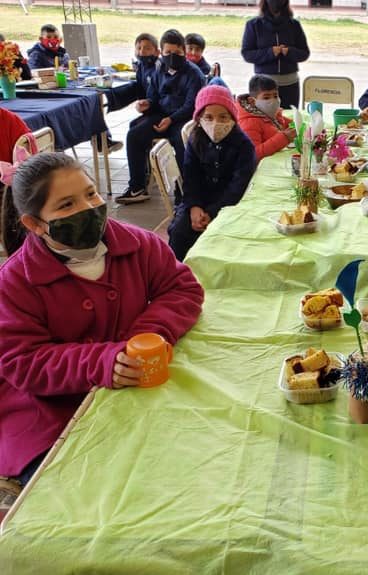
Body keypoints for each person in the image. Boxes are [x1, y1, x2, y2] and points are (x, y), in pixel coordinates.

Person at [0, 152, 203, 496]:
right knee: (86, 494)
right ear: (35, 224)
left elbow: (181, 287)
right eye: (66, 205)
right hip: (47, 413)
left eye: (91, 194)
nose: (88, 208)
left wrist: (146, 335)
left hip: (132, 386)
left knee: (181, 465)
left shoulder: (138, 244)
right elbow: (22, 362)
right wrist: (102, 361)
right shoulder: (16, 282)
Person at [116, 29, 206, 205]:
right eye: (168, 53)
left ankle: (184, 192)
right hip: (161, 115)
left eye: (177, 53)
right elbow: (154, 96)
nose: (172, 57)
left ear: (184, 52)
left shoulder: (194, 74)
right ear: (161, 53)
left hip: (183, 118)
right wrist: (147, 104)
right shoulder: (159, 69)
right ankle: (137, 187)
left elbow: (191, 106)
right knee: (134, 135)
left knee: (181, 141)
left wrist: (171, 120)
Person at [169, 86, 256, 261]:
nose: (215, 123)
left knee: (224, 240)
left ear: (232, 118)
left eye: (223, 117)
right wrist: (194, 207)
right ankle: (176, 277)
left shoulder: (244, 145)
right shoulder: (195, 140)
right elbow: (190, 178)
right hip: (196, 203)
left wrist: (212, 212)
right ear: (199, 119)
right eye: (208, 117)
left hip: (229, 205)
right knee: (179, 233)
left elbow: (238, 187)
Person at [241, 0, 310, 109]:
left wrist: (290, 52)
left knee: (289, 119)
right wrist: (270, 52)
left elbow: (304, 53)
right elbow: (247, 54)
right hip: (263, 87)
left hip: (290, 85)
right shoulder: (253, 25)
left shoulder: (294, 25)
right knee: (265, 120)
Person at [236, 74, 296, 163]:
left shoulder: (268, 113)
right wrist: (283, 138)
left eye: (275, 96)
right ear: (252, 101)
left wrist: (297, 126)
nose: (273, 100)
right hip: (258, 170)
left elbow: (282, 123)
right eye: (266, 97)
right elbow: (253, 154)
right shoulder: (250, 123)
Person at [106, 33, 161, 113]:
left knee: (135, 125)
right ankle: (107, 101)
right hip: (146, 105)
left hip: (158, 107)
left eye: (147, 48)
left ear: (157, 52)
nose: (142, 51)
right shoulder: (141, 65)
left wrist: (149, 104)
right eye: (139, 48)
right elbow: (140, 86)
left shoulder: (158, 68)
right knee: (123, 90)